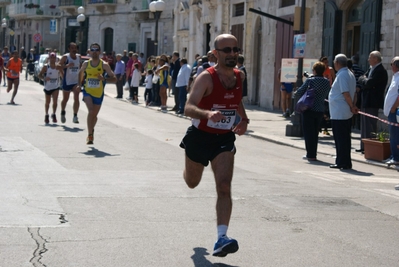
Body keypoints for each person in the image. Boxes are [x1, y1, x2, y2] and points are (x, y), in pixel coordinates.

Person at [180, 34, 248, 257]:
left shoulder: (240, 76)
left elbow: (236, 100)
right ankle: (188, 167)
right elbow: (188, 107)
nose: (232, 54)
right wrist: (207, 113)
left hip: (224, 139)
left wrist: (244, 118)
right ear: (216, 54)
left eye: (235, 49)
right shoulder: (206, 78)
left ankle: (221, 238)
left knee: (224, 186)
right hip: (199, 137)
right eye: (226, 50)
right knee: (192, 182)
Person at [78, 43, 115, 145]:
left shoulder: (104, 65)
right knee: (91, 111)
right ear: (89, 51)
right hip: (87, 91)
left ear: (99, 52)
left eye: (96, 49)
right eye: (92, 49)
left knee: (94, 115)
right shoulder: (86, 64)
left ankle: (91, 129)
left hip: (98, 93)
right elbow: (80, 73)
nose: (94, 51)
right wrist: (78, 85)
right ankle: (90, 135)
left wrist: (104, 78)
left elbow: (114, 78)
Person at [295, 62, 331, 161]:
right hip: (320, 110)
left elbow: (299, 92)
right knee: (315, 133)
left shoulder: (311, 81)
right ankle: (313, 153)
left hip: (309, 109)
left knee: (308, 133)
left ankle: (310, 154)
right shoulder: (326, 82)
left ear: (314, 71)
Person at [328, 54, 357, 169]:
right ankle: (344, 161)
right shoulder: (349, 73)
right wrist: (353, 105)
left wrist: (351, 105)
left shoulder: (343, 75)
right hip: (342, 111)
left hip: (340, 111)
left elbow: (346, 93)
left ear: (337, 63)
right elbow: (354, 92)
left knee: (340, 138)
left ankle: (342, 162)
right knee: (344, 138)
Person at [357, 51, 388, 153]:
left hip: (372, 101)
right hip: (366, 100)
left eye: (370, 57)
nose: (368, 59)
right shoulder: (371, 69)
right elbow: (362, 78)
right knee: (364, 124)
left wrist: (364, 81)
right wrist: (364, 80)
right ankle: (363, 146)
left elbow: (369, 83)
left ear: (375, 59)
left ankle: (369, 147)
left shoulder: (380, 71)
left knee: (370, 124)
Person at [58, 42, 81, 124]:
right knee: (65, 99)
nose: (74, 50)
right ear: (69, 49)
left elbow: (80, 69)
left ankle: (75, 115)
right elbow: (58, 66)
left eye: (75, 48)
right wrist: (66, 66)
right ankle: (63, 112)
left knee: (76, 98)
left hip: (75, 81)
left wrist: (80, 81)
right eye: (72, 48)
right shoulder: (65, 57)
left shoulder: (78, 57)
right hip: (67, 81)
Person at [382, 56, 399, 165]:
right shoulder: (395, 77)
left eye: (391, 64)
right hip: (391, 111)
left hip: (395, 112)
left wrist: (393, 108)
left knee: (395, 135)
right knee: (393, 135)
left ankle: (396, 158)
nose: (391, 66)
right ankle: (394, 156)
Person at [38, 52, 61, 124]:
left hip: (56, 86)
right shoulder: (46, 67)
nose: (52, 59)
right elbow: (39, 75)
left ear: (56, 58)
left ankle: (54, 114)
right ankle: (46, 115)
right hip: (48, 87)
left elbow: (62, 74)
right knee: (47, 102)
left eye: (54, 57)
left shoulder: (58, 66)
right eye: (51, 57)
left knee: (55, 101)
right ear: (49, 58)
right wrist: (44, 78)